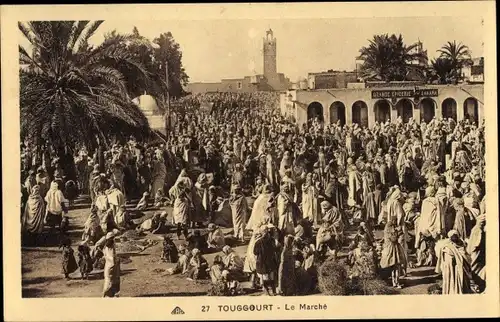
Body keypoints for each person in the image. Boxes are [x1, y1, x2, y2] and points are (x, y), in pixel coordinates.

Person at [435, 230, 472, 294]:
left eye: (456, 236)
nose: (455, 238)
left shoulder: (461, 244)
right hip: (451, 268)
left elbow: (466, 255)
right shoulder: (447, 247)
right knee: (451, 280)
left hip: (460, 267)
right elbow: (445, 260)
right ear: (450, 238)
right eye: (453, 236)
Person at [380, 217, 406, 289]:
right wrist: (399, 232)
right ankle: (396, 283)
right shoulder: (389, 229)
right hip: (393, 250)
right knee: (396, 266)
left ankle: (395, 282)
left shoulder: (388, 229)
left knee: (394, 267)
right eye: (395, 221)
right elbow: (393, 238)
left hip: (391, 249)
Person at [253, 225, 279, 296]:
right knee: (272, 278)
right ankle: (273, 292)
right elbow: (275, 249)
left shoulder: (258, 242)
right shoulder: (272, 240)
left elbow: (255, 252)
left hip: (263, 263)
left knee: (265, 279)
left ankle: (267, 293)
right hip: (271, 262)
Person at [95, 229, 121, 297]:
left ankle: (108, 294)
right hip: (112, 266)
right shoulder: (111, 248)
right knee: (111, 281)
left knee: (108, 280)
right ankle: (107, 293)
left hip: (108, 266)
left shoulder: (106, 246)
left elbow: (106, 254)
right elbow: (112, 258)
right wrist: (117, 260)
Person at [467, 214, 486, 293]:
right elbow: (476, 242)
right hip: (475, 250)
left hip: (478, 250)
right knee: (474, 264)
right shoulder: (477, 229)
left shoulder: (480, 229)